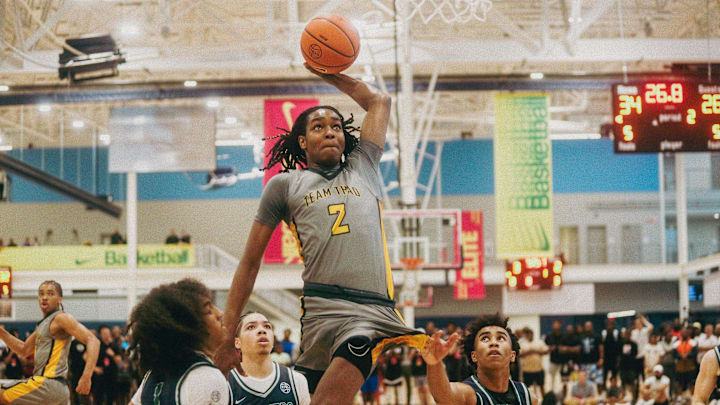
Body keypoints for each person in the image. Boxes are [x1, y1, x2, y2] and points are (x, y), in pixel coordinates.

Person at [216, 64, 426, 405]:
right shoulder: (284, 185)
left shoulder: (364, 166)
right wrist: (228, 336)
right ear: (302, 141)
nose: (330, 131)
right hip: (320, 311)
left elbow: (380, 101)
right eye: (318, 127)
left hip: (369, 313)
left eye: (336, 126)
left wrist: (331, 73)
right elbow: (250, 262)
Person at [128, 278, 231, 405]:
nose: (219, 313)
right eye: (209, 311)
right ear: (189, 326)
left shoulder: (153, 376)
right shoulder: (207, 377)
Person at [0, 280, 100, 405]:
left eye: (50, 294)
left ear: (60, 299)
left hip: (47, 385)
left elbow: (93, 341)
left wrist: (86, 376)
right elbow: (23, 349)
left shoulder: (61, 318)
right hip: (57, 389)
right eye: (41, 294)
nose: (44, 298)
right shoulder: (44, 324)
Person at [421, 314, 537, 405]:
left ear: (512, 355)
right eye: (485, 338)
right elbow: (443, 395)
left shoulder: (528, 397)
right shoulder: (468, 393)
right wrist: (435, 363)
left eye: (500, 338)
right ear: (474, 356)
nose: (493, 343)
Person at [228, 312, 310, 405]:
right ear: (237, 342)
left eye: (267, 326)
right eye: (251, 327)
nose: (262, 330)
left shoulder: (296, 381)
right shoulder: (225, 382)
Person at [519, 328, 548, 397]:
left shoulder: (539, 342)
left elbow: (546, 351)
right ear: (526, 335)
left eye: (531, 334)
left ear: (533, 334)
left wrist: (536, 351)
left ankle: (545, 402)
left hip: (539, 369)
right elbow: (519, 355)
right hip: (527, 370)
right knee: (526, 389)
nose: (530, 335)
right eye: (528, 334)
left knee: (542, 387)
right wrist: (528, 352)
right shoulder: (522, 344)